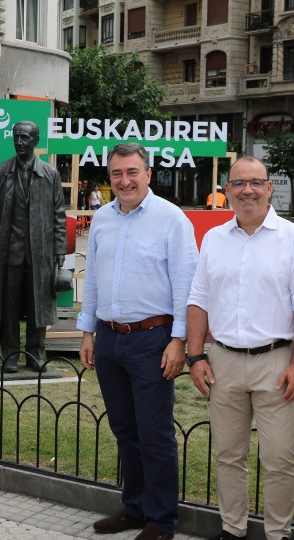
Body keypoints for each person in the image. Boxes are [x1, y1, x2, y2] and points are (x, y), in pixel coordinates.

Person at [186, 156, 294, 540]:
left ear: (268, 187)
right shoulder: (214, 239)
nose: (247, 190)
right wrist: (196, 356)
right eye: (239, 183)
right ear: (226, 190)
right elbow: (199, 299)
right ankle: (233, 529)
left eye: (255, 182)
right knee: (228, 455)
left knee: (279, 458)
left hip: (276, 362)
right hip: (223, 360)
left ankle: (277, 534)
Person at [77, 143, 198, 540]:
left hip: (153, 339)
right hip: (110, 339)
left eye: (132, 172)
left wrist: (179, 340)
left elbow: (187, 286)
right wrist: (87, 331)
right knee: (124, 429)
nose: (124, 181)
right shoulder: (102, 220)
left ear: (148, 173)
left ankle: (161, 521)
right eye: (116, 174)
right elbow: (92, 279)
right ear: (109, 178)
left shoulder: (171, 219)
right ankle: (135, 508)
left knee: (154, 432)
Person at [0, 120, 66, 373]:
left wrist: (59, 252)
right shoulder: (0, 171)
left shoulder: (49, 174)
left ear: (35, 141)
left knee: (37, 308)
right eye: (17, 137)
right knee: (8, 307)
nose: (20, 142)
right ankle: (9, 354)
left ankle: (36, 354)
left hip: (40, 255)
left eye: (25, 138)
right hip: (9, 253)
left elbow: (59, 216)